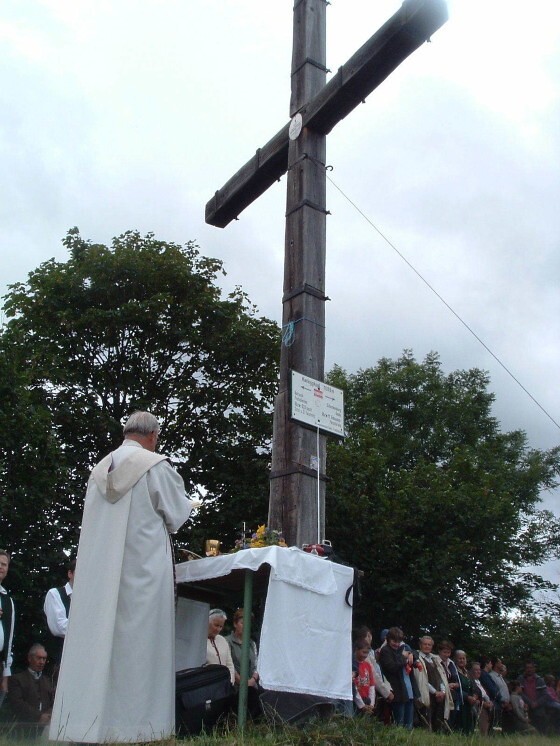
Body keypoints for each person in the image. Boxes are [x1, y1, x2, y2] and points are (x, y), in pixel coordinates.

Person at [49, 411, 199, 743]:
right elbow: (176, 515)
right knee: (139, 649)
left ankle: (83, 726)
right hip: (142, 576)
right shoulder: (156, 466)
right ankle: (137, 729)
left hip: (98, 577)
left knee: (96, 646)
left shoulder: (99, 470)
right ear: (153, 436)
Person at [378, 627, 416, 729]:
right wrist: (403, 658)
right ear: (388, 639)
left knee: (407, 722)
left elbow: (414, 655)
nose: (397, 644)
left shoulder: (399, 649)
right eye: (394, 641)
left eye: (399, 642)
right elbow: (392, 667)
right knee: (398, 722)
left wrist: (410, 654)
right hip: (394, 689)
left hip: (403, 690)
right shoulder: (385, 651)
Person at [8, 644, 54, 727]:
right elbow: (17, 704)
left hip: (45, 727)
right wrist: (38, 716)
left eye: (44, 659)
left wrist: (48, 716)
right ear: (30, 658)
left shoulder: (47, 681)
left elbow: (53, 703)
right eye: (39, 658)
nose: (42, 662)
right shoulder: (17, 679)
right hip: (23, 727)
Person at [43, 558, 75, 675]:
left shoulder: (89, 600)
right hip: (58, 662)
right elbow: (59, 627)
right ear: (70, 573)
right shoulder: (55, 594)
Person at [226, 609, 260, 717]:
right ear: (235, 624)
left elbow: (257, 664)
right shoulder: (227, 641)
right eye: (242, 623)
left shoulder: (252, 643)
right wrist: (242, 681)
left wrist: (253, 679)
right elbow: (228, 664)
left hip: (252, 687)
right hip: (235, 689)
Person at [414, 635, 449, 731]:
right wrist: (435, 692)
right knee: (426, 722)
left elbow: (441, 677)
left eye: (429, 645)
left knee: (437, 723)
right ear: (420, 645)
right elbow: (421, 680)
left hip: (438, 696)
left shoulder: (435, 659)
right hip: (426, 694)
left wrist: (442, 692)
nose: (427, 646)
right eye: (425, 644)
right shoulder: (417, 659)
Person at [518, 660, 549, 733]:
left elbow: (545, 695)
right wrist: (530, 703)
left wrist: (537, 703)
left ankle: (542, 736)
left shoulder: (540, 680)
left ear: (534, 668)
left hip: (538, 706)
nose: (529, 669)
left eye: (531, 667)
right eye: (527, 668)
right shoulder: (520, 679)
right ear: (525, 669)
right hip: (525, 706)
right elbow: (519, 693)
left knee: (542, 721)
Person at [207, 609, 236, 685]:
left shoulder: (223, 640)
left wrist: (230, 683)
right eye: (216, 625)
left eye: (221, 626)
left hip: (224, 686)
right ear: (207, 622)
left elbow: (230, 665)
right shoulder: (199, 641)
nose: (218, 629)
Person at [0, 550, 14, 699]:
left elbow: (9, 638)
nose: (1, 567)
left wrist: (5, 674)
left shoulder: (7, 600)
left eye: (4, 564)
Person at [453, 650, 477, 734]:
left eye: (463, 658)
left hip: (470, 704)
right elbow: (455, 689)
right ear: (455, 659)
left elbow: (474, 686)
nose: (462, 660)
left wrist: (475, 696)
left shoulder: (468, 673)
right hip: (460, 703)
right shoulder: (454, 672)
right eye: (460, 658)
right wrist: (467, 697)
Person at [352, 639, 375, 715]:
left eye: (367, 653)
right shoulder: (353, 666)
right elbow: (354, 687)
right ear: (356, 650)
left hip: (367, 699)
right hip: (356, 700)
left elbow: (372, 685)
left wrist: (371, 704)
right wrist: (362, 705)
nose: (365, 655)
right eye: (363, 652)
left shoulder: (367, 665)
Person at [471, 661, 494, 735]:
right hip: (479, 707)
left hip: (486, 707)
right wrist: (483, 703)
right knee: (482, 729)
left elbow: (485, 694)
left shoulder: (479, 682)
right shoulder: (471, 682)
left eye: (479, 670)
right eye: (476, 670)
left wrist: (489, 702)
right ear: (471, 671)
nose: (478, 672)